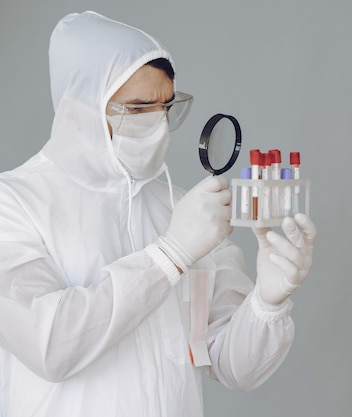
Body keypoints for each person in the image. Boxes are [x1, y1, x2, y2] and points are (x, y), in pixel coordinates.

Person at [0, 11, 316, 417]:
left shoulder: (182, 209)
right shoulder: (14, 202)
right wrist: (169, 256)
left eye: (166, 106)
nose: (159, 124)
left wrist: (267, 302)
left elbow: (232, 366)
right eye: (138, 108)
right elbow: (50, 346)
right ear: (80, 109)